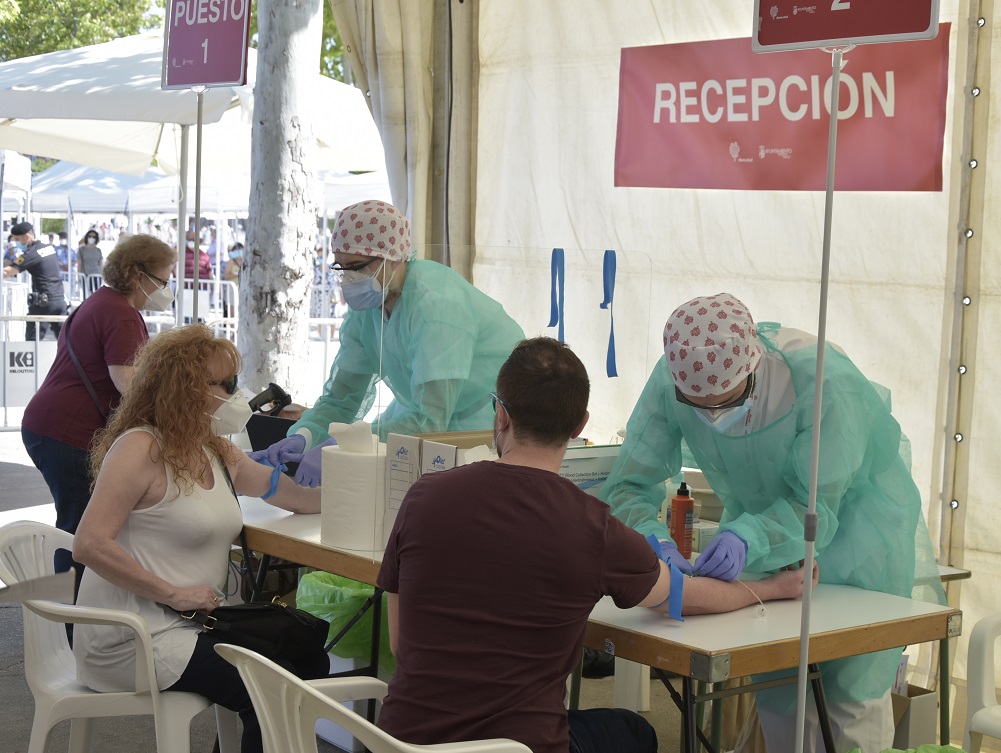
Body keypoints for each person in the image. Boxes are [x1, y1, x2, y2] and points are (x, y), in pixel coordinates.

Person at [377, 337, 816, 753]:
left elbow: (401, 644)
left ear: (501, 414)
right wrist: (776, 588)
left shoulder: (423, 495)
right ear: (580, 425)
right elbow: (686, 597)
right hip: (519, 746)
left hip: (401, 744)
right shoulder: (590, 526)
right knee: (634, 731)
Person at [599, 292, 945, 753]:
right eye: (697, 406)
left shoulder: (824, 384)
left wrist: (749, 536)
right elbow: (628, 484)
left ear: (753, 370)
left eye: (725, 404)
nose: (712, 419)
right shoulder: (675, 374)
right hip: (764, 537)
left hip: (854, 532)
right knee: (780, 684)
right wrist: (653, 539)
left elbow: (816, 505)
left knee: (850, 695)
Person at [72, 325, 327, 753]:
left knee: (308, 657)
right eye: (224, 384)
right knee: (269, 685)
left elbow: (293, 497)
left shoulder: (214, 449)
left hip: (193, 624)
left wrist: (340, 479)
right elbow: (89, 544)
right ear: (184, 388)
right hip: (135, 634)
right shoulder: (139, 448)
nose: (236, 394)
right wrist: (172, 593)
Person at [253, 199, 525, 487]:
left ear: (394, 256)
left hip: (486, 423)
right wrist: (304, 435)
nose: (349, 280)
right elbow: (341, 398)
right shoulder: (369, 309)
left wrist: (344, 446)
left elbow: (430, 420)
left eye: (357, 266)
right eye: (341, 268)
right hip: (420, 417)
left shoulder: (438, 306)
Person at [21, 234, 176, 584]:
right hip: (68, 431)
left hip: (50, 425)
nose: (168, 288)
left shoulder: (101, 302)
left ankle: (73, 620)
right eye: (164, 280)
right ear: (139, 276)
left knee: (76, 523)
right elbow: (130, 386)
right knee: (80, 531)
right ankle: (72, 625)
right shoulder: (121, 314)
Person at [2, 221, 67, 340]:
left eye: (17, 239)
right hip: (60, 300)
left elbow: (8, 271)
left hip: (44, 303)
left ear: (27, 237)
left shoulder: (31, 254)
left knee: (32, 343)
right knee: (65, 342)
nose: (16, 243)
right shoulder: (48, 248)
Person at [78, 229, 104, 296]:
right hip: (85, 276)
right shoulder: (81, 250)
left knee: (96, 296)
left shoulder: (98, 250)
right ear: (87, 237)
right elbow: (79, 263)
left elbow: (100, 264)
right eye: (90, 236)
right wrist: (79, 276)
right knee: (86, 296)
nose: (91, 238)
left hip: (96, 276)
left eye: (94, 237)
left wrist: (103, 275)